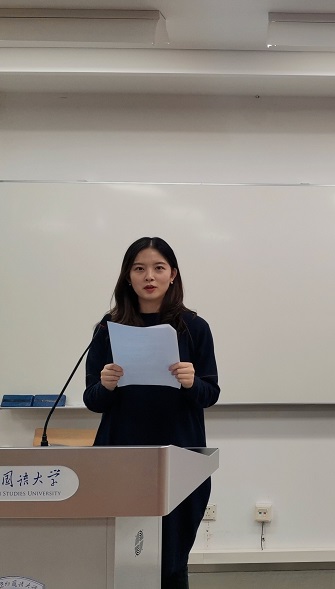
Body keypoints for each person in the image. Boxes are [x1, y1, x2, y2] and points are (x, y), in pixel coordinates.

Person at [83, 237, 220, 589]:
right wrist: (106, 385)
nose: (149, 276)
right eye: (139, 268)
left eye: (158, 268)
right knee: (119, 559)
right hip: (120, 454)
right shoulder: (108, 328)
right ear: (127, 276)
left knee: (171, 562)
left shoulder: (195, 327)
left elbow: (210, 394)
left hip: (179, 456)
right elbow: (93, 400)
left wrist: (191, 382)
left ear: (172, 274)